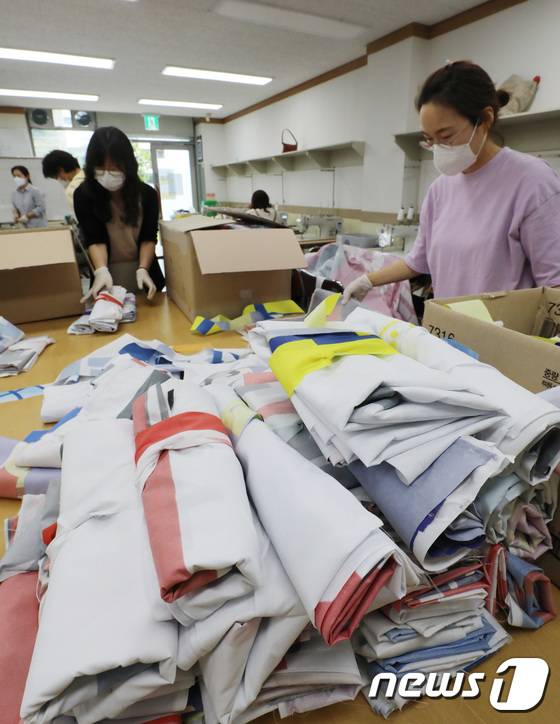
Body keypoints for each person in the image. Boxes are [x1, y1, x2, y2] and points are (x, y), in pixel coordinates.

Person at [343, 61, 560, 304]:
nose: (439, 148)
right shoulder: (440, 190)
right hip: (445, 325)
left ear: (485, 119)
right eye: (429, 139)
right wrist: (368, 280)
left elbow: (554, 283)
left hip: (503, 327)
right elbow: (418, 260)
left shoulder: (532, 182)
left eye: (446, 136)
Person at [74, 126, 164, 302]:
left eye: (114, 167)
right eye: (101, 168)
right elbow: (95, 239)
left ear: (128, 165)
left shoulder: (147, 194)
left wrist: (143, 269)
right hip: (107, 274)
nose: (108, 174)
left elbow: (149, 237)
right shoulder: (83, 195)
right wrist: (101, 271)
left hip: (144, 272)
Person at [42, 150, 85, 216]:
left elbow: (84, 217)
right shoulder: (92, 175)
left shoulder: (72, 189)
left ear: (61, 170)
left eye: (56, 177)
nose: (59, 180)